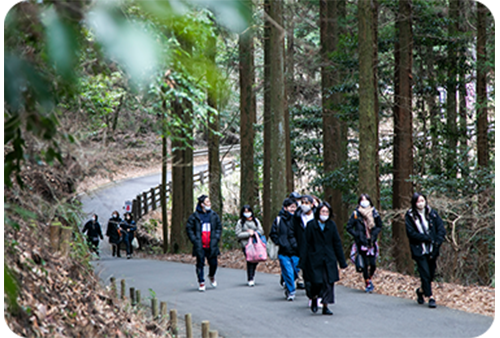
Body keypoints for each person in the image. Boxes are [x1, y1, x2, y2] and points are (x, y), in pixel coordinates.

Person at [304, 202, 347, 315]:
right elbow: (306, 244)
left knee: (328, 283)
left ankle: (325, 305)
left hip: (329, 258)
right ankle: (314, 298)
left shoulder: (331, 225)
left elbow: (337, 243)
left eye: (327, 212)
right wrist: (303, 261)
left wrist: (342, 262)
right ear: (318, 212)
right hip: (314, 258)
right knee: (316, 282)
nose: (325, 214)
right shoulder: (311, 225)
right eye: (323, 211)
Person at [405, 192, 446, 308]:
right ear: (414, 203)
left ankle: (421, 291)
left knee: (431, 274)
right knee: (425, 273)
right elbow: (410, 233)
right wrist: (425, 238)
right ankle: (430, 297)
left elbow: (441, 229)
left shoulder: (432, 213)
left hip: (432, 249)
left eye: (422, 200)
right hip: (419, 249)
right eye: (418, 201)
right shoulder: (410, 215)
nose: (421, 203)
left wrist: (437, 241)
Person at [346, 193, 383, 293]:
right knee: (365, 264)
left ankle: (369, 278)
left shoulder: (374, 212)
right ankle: (367, 282)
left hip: (371, 242)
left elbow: (379, 225)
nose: (364, 201)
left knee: (373, 264)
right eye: (362, 199)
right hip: (361, 242)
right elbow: (349, 227)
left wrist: (374, 234)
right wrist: (357, 235)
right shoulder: (356, 214)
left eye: (366, 199)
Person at [186, 194, 222, 292]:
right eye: (207, 202)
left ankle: (211, 275)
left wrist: (216, 238)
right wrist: (194, 240)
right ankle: (201, 282)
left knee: (214, 263)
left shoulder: (213, 215)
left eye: (209, 202)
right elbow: (189, 228)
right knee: (200, 264)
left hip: (212, 244)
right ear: (202, 204)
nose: (209, 203)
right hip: (200, 245)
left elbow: (219, 227)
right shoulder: (195, 216)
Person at [270, 198, 299, 301]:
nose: (293, 209)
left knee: (296, 270)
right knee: (288, 271)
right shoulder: (279, 220)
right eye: (291, 207)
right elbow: (272, 233)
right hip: (283, 251)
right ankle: (291, 291)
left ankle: (288, 283)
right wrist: (280, 242)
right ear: (285, 208)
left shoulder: (299, 219)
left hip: (296, 251)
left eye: (295, 207)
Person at [235, 205, 265, 286]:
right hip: (246, 245)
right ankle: (250, 278)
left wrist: (254, 233)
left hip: (256, 244)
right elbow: (238, 234)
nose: (247, 213)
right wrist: (248, 234)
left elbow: (261, 230)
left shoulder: (256, 221)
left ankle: (252, 274)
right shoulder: (240, 222)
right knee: (250, 260)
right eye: (245, 212)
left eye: (248, 211)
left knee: (256, 260)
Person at [293, 195, 316, 291]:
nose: (304, 205)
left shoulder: (316, 216)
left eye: (306, 203)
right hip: (301, 244)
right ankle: (301, 280)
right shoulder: (297, 217)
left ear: (312, 204)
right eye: (302, 203)